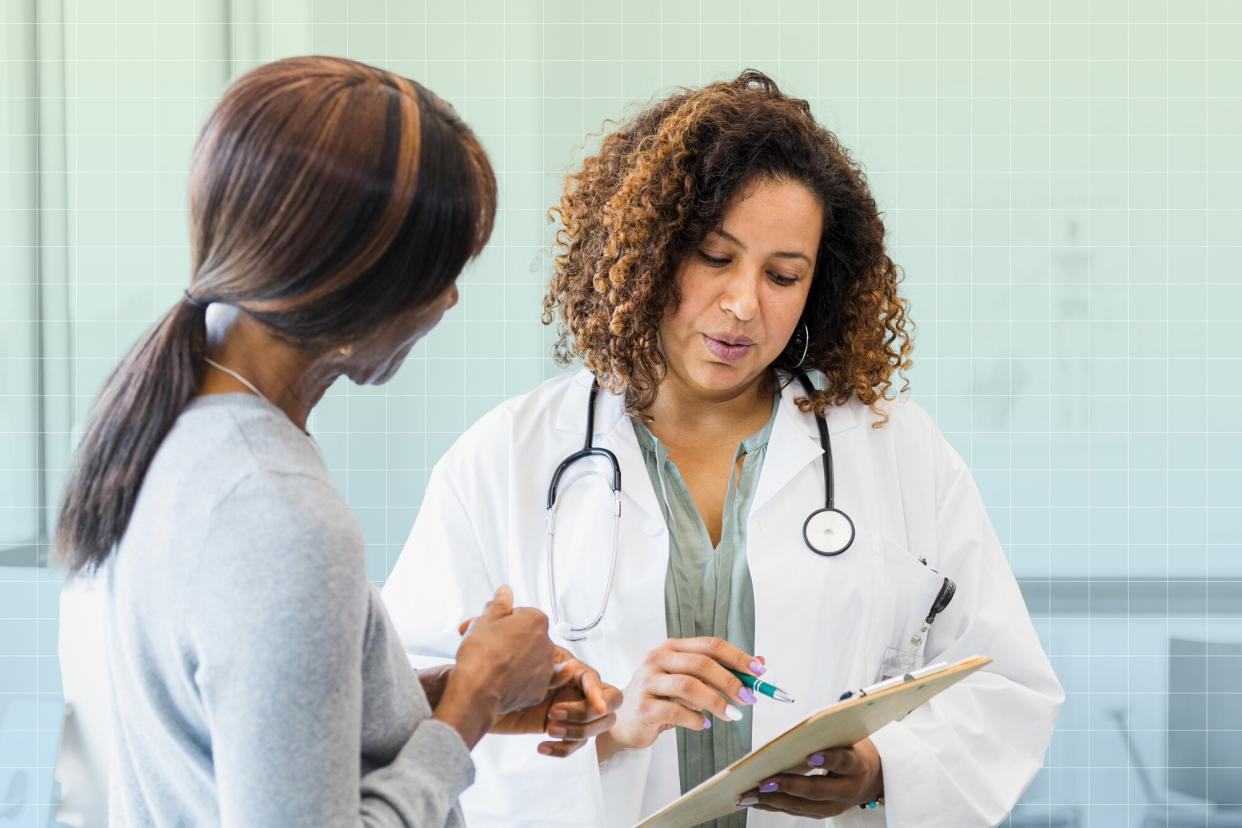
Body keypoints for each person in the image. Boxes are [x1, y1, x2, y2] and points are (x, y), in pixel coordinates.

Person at [383, 71, 1063, 827]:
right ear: (648, 252)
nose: (744, 305)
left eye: (783, 275)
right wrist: (611, 734)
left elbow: (1007, 687)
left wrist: (878, 770)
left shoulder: (895, 449)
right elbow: (404, 724)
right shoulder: (506, 458)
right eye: (714, 257)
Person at [54, 56, 620, 827]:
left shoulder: (162, 429)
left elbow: (247, 724)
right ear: (356, 282)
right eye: (441, 272)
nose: (451, 300)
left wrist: (458, 694)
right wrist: (470, 708)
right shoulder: (280, 517)